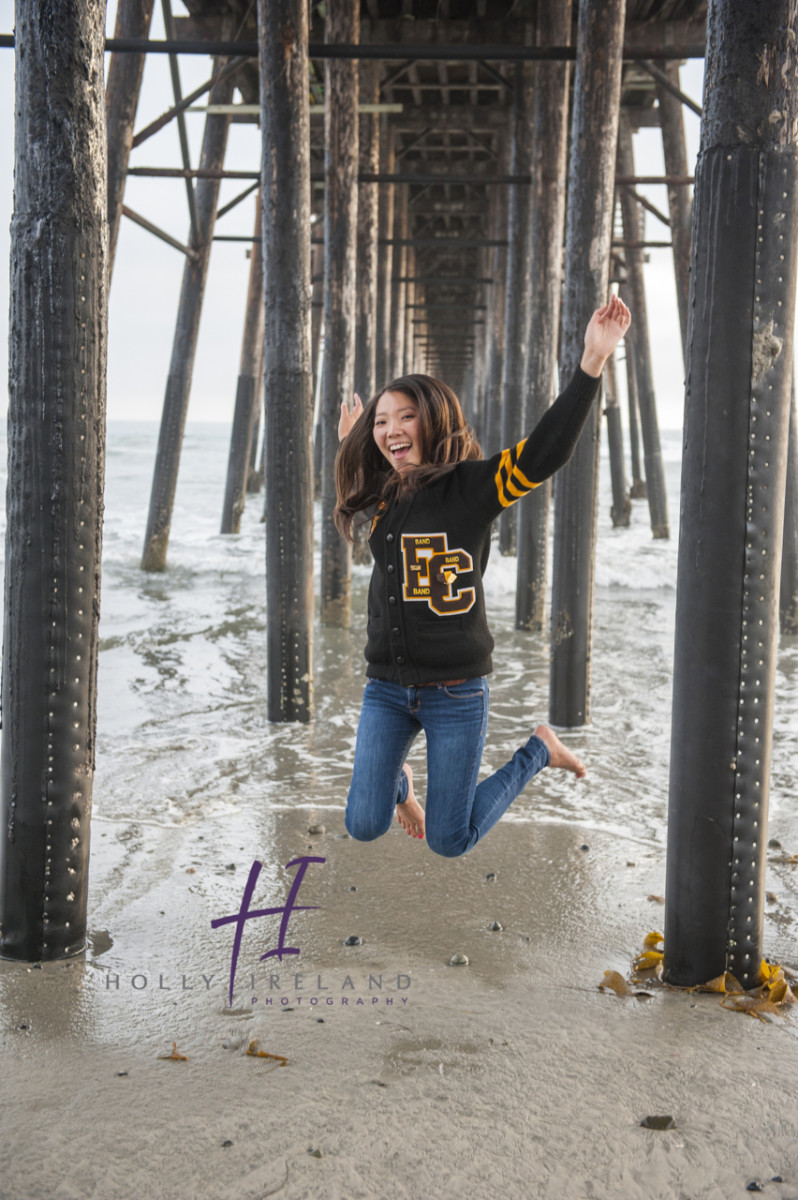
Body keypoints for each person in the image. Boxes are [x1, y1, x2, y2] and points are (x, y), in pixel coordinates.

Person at [335, 294, 631, 856]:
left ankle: (539, 749)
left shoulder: (473, 488)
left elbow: (544, 454)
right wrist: (352, 438)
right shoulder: (384, 494)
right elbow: (358, 479)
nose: (391, 430)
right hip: (388, 689)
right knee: (364, 822)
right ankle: (397, 786)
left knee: (450, 840)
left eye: (405, 417)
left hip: (456, 692)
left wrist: (591, 361)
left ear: (434, 419)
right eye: (380, 422)